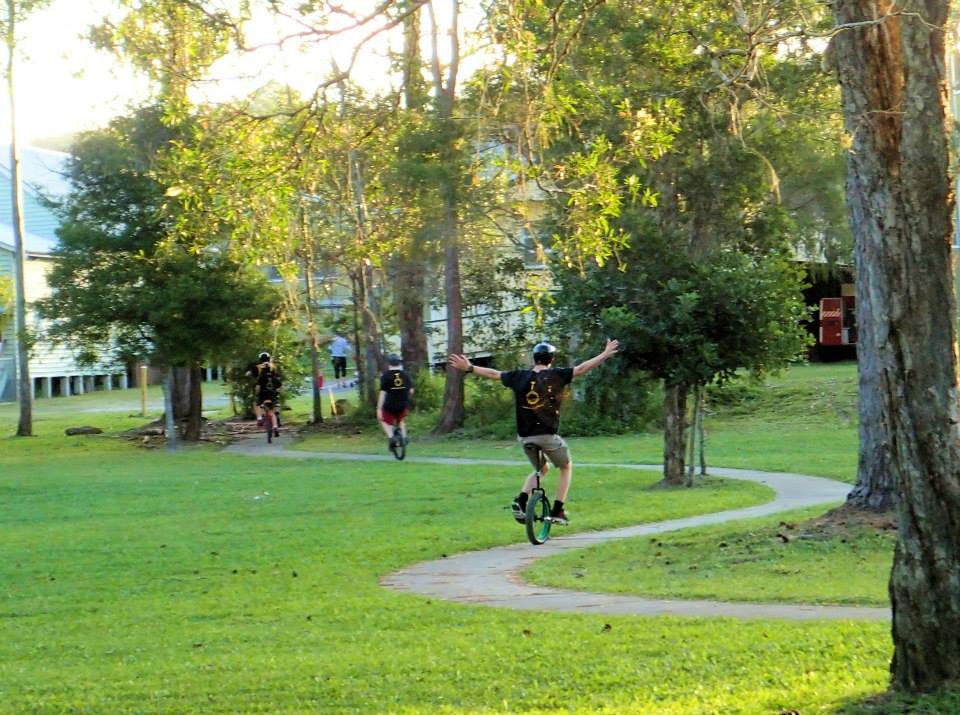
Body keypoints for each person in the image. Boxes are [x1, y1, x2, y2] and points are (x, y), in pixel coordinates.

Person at [448, 339, 619, 525]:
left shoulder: (519, 377)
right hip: (547, 436)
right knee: (566, 466)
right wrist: (604, 354)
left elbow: (494, 373)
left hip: (525, 437)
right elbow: (581, 369)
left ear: (534, 359)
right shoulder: (557, 375)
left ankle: (521, 501)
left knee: (541, 469)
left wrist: (470, 367)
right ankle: (558, 510)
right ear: (551, 359)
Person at [377, 354, 414, 454]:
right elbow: (411, 391)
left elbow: (382, 393)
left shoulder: (385, 376)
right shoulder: (405, 375)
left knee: (384, 420)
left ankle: (391, 437)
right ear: (399, 363)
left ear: (389, 364)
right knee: (401, 420)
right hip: (403, 404)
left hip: (390, 405)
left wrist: (379, 409)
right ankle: (404, 437)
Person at [251, 352, 282, 440]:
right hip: (272, 392)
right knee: (272, 411)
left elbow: (256, 382)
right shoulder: (274, 368)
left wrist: (257, 392)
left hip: (263, 392)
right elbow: (279, 384)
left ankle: (260, 418)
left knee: (257, 403)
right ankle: (275, 426)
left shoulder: (257, 368)